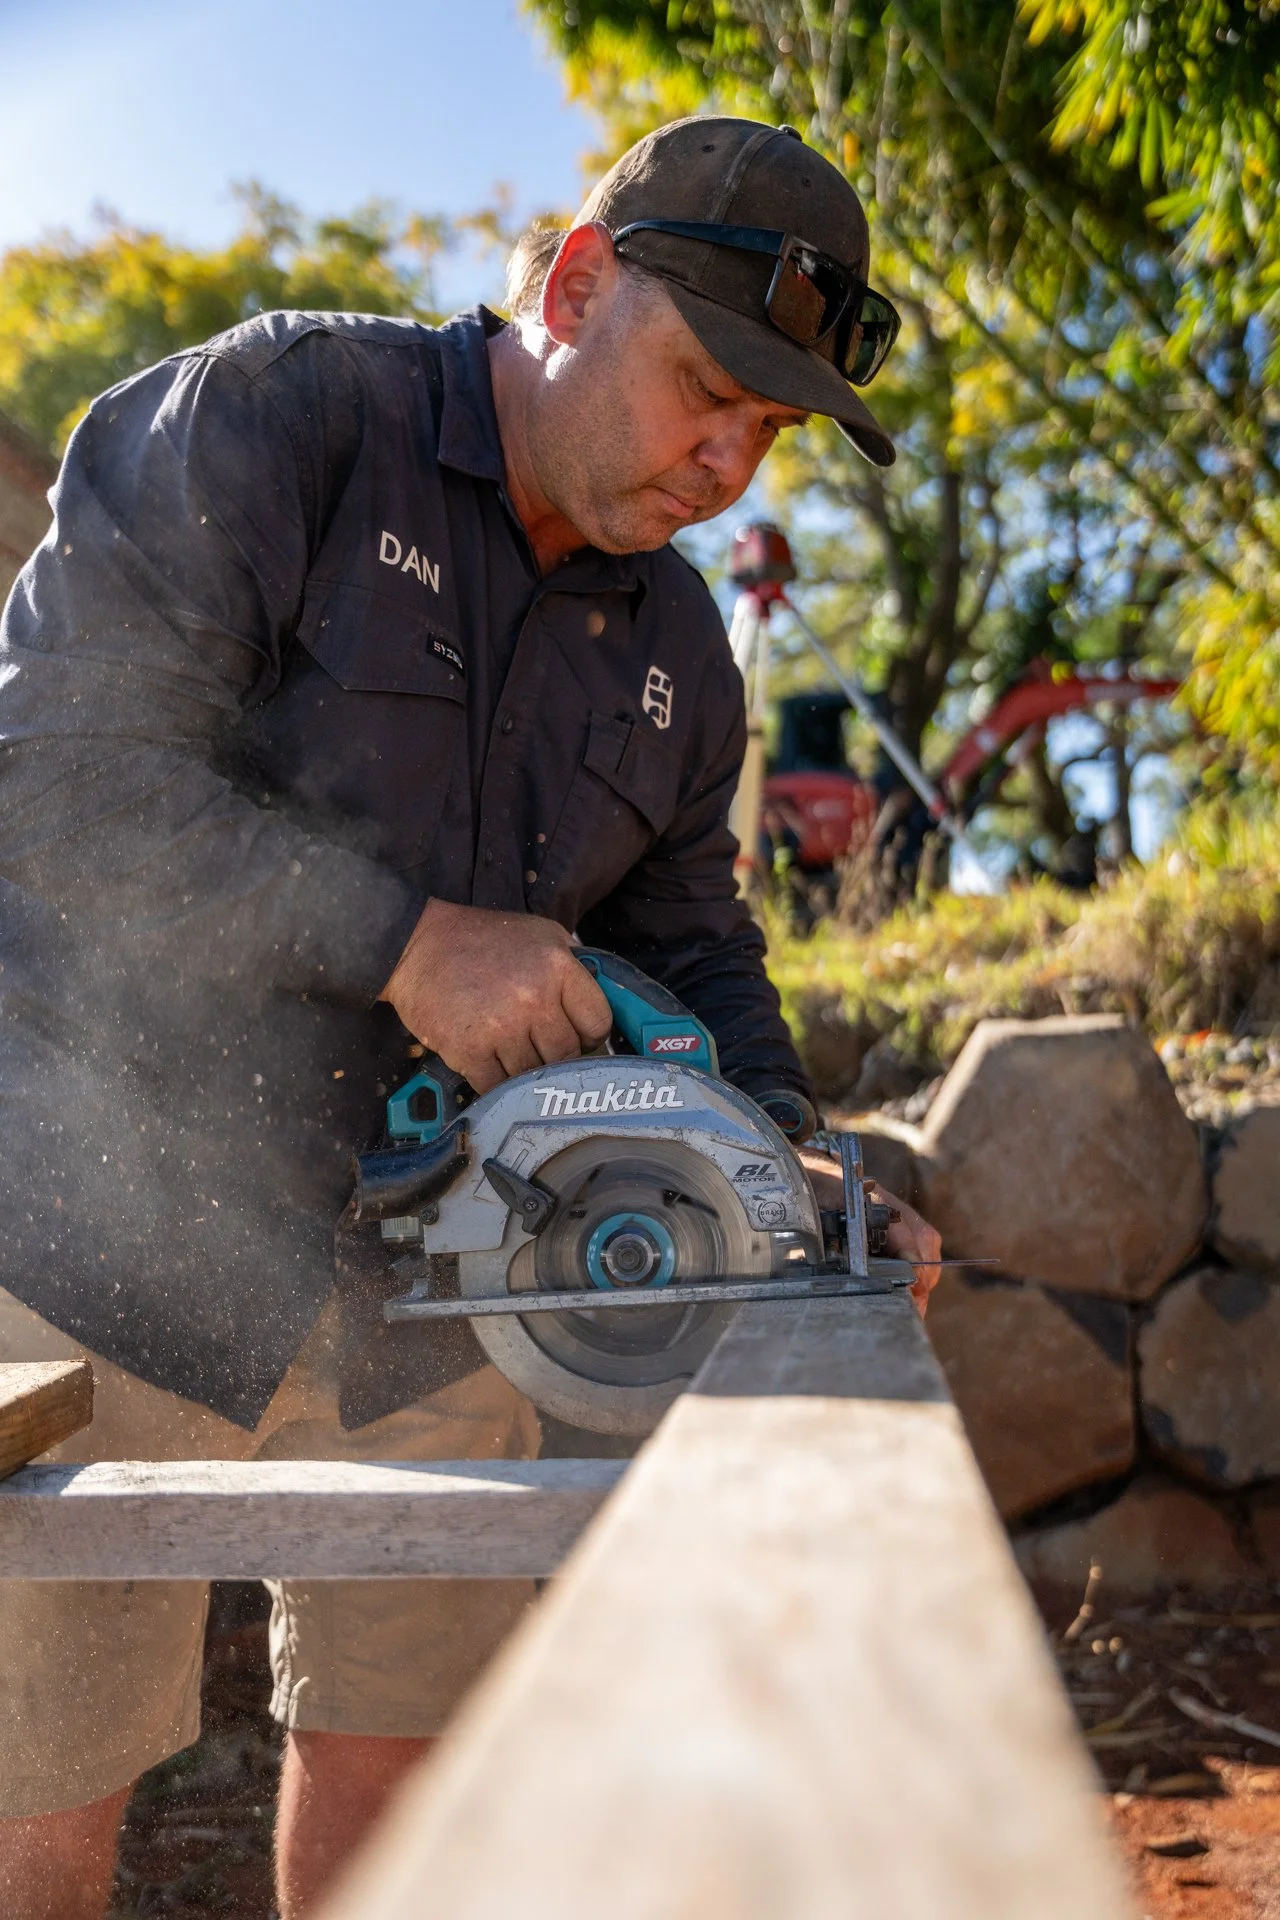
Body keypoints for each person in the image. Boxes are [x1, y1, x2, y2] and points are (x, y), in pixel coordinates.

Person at [0, 115, 940, 1919]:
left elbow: (700, 948)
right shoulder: (278, 424)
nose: (728, 460)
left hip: (434, 1287)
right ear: (572, 283)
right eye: (704, 390)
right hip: (102, 1236)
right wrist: (405, 939)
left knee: (412, 1804)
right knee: (40, 1810)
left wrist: (802, 1182)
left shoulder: (681, 654)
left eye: (772, 431)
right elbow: (52, 782)